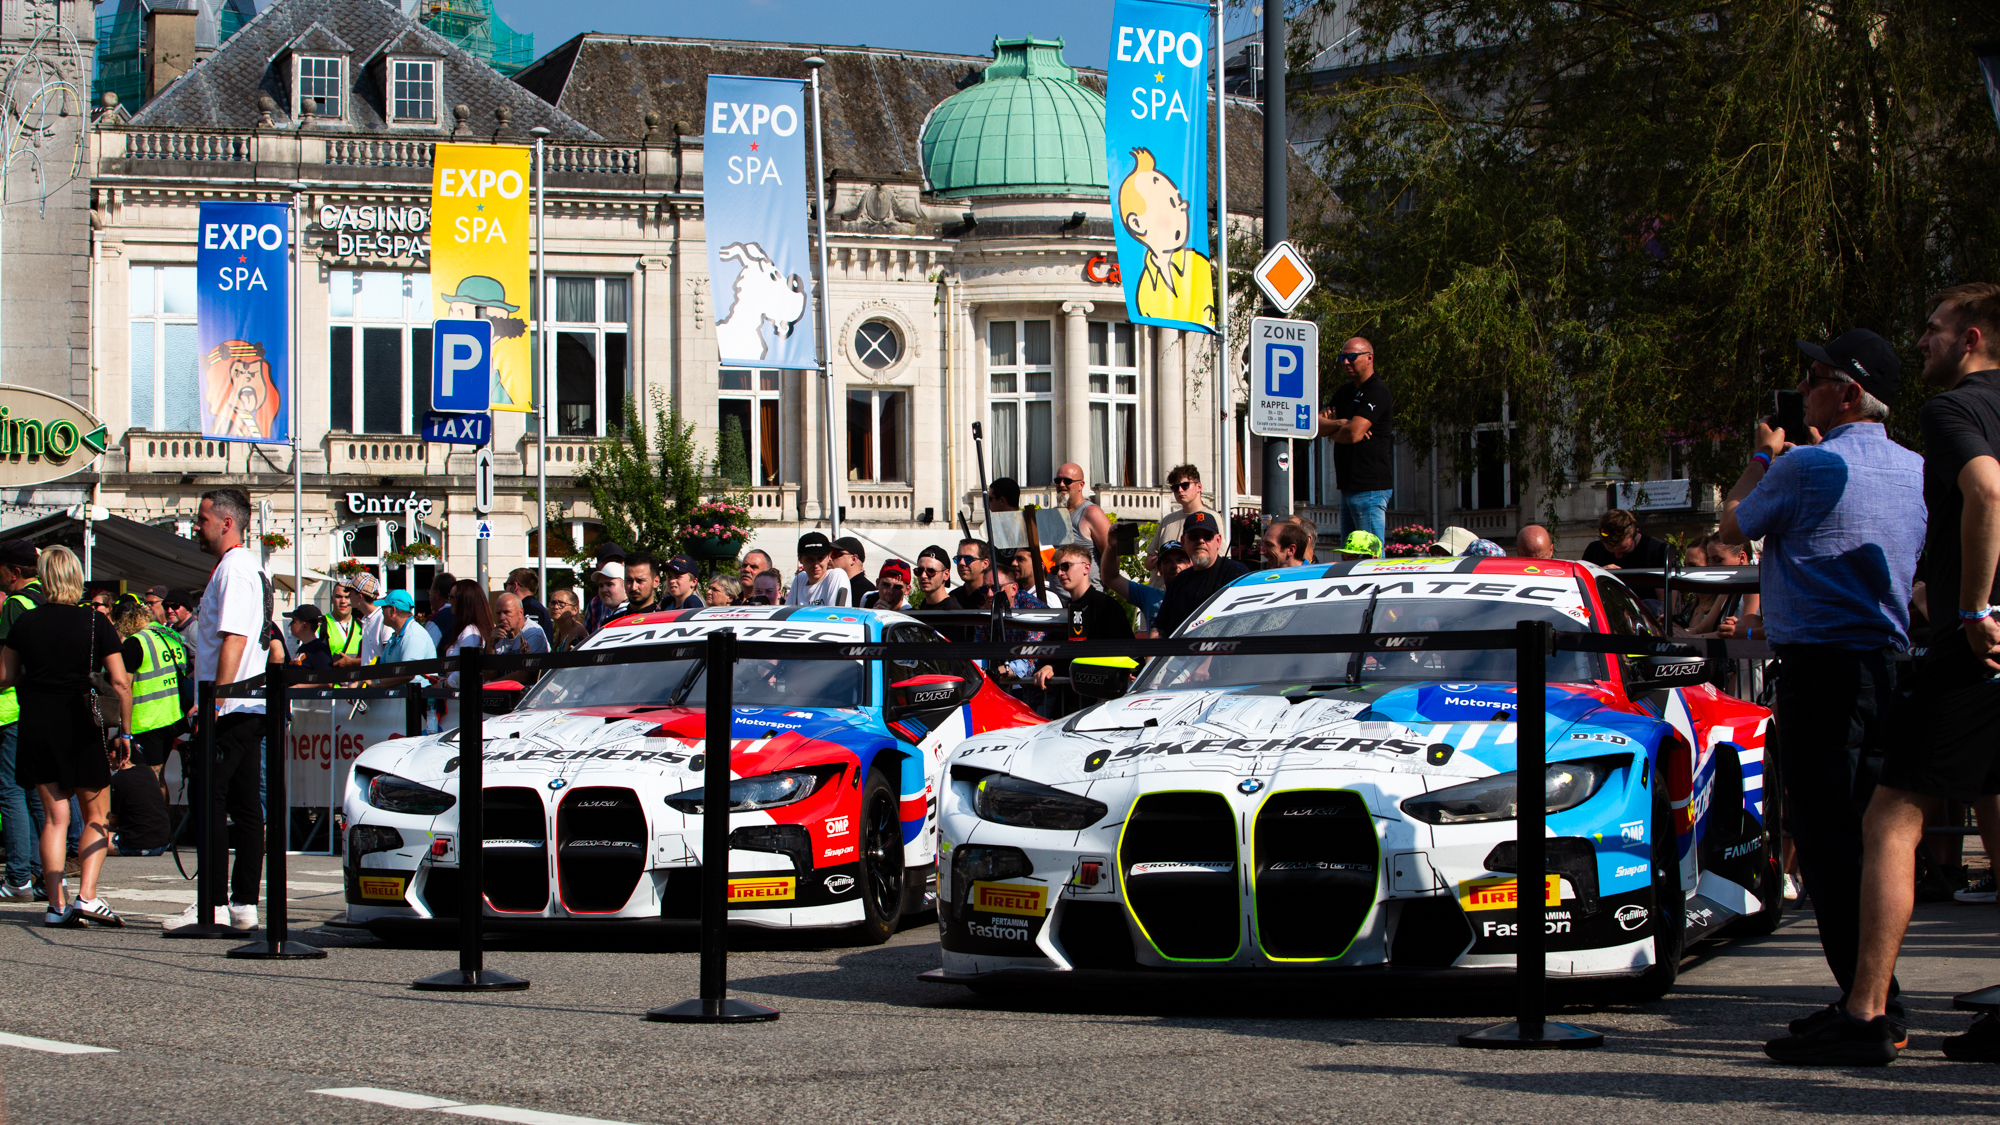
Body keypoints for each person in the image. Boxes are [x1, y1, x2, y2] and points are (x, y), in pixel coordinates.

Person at [1771, 284, 2000, 1066]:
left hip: (1935, 654)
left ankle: (1869, 1010)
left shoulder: (1944, 416)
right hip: (1901, 658)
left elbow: (1985, 491)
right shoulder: (1916, 458)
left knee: (1882, 822)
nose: (1925, 340)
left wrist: (1972, 609)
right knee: (1988, 808)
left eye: (1934, 329)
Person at [1711, 330, 1923, 1066]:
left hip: (1823, 670)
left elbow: (1731, 525)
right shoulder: (1916, 468)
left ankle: (1871, 1009)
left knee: (1829, 843)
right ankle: (1869, 998)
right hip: (1889, 667)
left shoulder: (1805, 464)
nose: (1803, 390)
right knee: (1877, 838)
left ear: (1849, 392)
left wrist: (1764, 452)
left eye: (1815, 378)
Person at [0, 546, 132, 926]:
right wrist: (125, 731)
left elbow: (6, 676)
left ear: (44, 577)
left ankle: (56, 905)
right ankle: (87, 896)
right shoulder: (95, 623)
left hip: (38, 721)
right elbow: (121, 682)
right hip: (81, 722)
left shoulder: (24, 621)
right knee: (98, 814)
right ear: (76, 578)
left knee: (54, 817)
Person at [162, 489, 268, 933]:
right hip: (242, 702)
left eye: (203, 519)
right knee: (243, 805)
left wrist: (215, 702)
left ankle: (215, 903)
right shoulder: (241, 568)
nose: (196, 526)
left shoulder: (236, 569)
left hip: (232, 705)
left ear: (226, 523)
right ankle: (242, 902)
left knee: (212, 800)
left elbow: (234, 639)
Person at [1034, 543, 1136, 713]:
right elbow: (1065, 653)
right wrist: (1051, 666)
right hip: (1070, 701)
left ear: (1086, 568)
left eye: (1066, 566)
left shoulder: (1105, 606)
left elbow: (1128, 652)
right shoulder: (1066, 611)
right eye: (1056, 569)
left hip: (1101, 703)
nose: (1060, 573)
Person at [0, 539, 46, 900]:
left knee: (11, 792)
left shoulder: (16, 603)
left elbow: (5, 670)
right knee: (36, 793)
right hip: (36, 706)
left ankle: (19, 877)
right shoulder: (43, 598)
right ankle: (41, 872)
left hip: (11, 707)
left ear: (13, 572)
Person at [1320, 337, 1395, 541]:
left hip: (1370, 487)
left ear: (1369, 358)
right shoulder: (1344, 392)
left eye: (1352, 357)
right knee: (1350, 556)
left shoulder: (1377, 391)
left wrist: (1340, 429)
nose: (1346, 362)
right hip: (1348, 486)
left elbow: (1354, 434)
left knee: (1368, 556)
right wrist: (1341, 423)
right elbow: (1316, 427)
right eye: (1342, 357)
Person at [116, 599, 188, 793]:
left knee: (148, 780)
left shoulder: (136, 642)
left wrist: (124, 731)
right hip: (172, 714)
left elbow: (123, 685)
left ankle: (154, 821)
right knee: (159, 776)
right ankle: (163, 821)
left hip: (147, 719)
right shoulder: (171, 635)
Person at [1156, 511, 1251, 637]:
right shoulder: (1178, 582)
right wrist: (1153, 655)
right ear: (1183, 542)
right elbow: (1159, 629)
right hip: (1177, 654)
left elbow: (1244, 625)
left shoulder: (1236, 573)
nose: (1201, 541)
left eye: (1207, 536)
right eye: (1194, 536)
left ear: (1218, 541)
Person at [1144, 465, 1222, 581]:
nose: (1180, 490)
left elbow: (1220, 558)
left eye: (1185, 485)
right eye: (1175, 488)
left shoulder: (1211, 517)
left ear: (1198, 487)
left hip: (1189, 590)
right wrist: (1159, 560)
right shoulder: (1167, 520)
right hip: (1160, 591)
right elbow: (1148, 563)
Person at [1055, 463, 1111, 588]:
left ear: (1081, 485)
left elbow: (1111, 557)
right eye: (1058, 480)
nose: (1061, 485)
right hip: (1055, 601)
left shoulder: (1092, 513)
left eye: (1067, 481)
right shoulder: (1053, 514)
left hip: (1086, 599)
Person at [367, 590, 438, 687]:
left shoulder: (413, 636)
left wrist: (376, 684)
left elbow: (408, 674)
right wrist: (361, 682)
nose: (381, 611)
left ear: (393, 610)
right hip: (405, 699)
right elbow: (382, 668)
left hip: (420, 700)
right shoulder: (396, 636)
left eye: (383, 607)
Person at [445, 579, 494, 688]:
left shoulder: (469, 631)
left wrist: (445, 684)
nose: (449, 601)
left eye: (451, 597)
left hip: (463, 698)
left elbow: (468, 667)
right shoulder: (474, 628)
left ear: (464, 600)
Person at [1583, 509, 1670, 570]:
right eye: (1611, 552)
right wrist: (1597, 573)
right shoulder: (1594, 550)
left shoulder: (1657, 551)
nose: (1618, 556)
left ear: (1635, 533)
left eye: (1624, 551)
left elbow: (1666, 594)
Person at [788, 532, 852, 607]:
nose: (815, 565)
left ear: (829, 557)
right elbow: (787, 613)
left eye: (820, 558)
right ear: (800, 559)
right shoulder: (799, 579)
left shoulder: (836, 575)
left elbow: (834, 615)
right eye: (810, 559)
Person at [324, 581, 367, 664]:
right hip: (329, 675)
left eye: (347, 597)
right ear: (332, 599)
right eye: (338, 596)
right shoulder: (320, 625)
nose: (343, 601)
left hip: (357, 675)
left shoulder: (363, 626)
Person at [504, 569, 553, 640]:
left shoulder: (531, 608)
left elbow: (531, 637)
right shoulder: (531, 605)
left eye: (505, 585)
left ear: (515, 586)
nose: (505, 590)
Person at [284, 605, 334, 670]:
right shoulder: (303, 648)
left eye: (293, 621)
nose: (290, 624)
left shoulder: (319, 650)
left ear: (304, 626)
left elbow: (327, 677)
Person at [587, 560, 627, 634]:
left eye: (609, 584)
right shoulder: (616, 614)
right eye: (601, 585)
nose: (604, 590)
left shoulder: (628, 616)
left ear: (625, 586)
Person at [832, 537, 875, 605]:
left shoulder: (864, 591)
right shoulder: (836, 585)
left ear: (853, 559)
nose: (829, 559)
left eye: (834, 554)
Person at [423, 572, 458, 647]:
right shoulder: (462, 613)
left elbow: (426, 649)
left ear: (437, 594)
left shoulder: (439, 618)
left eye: (430, 592)